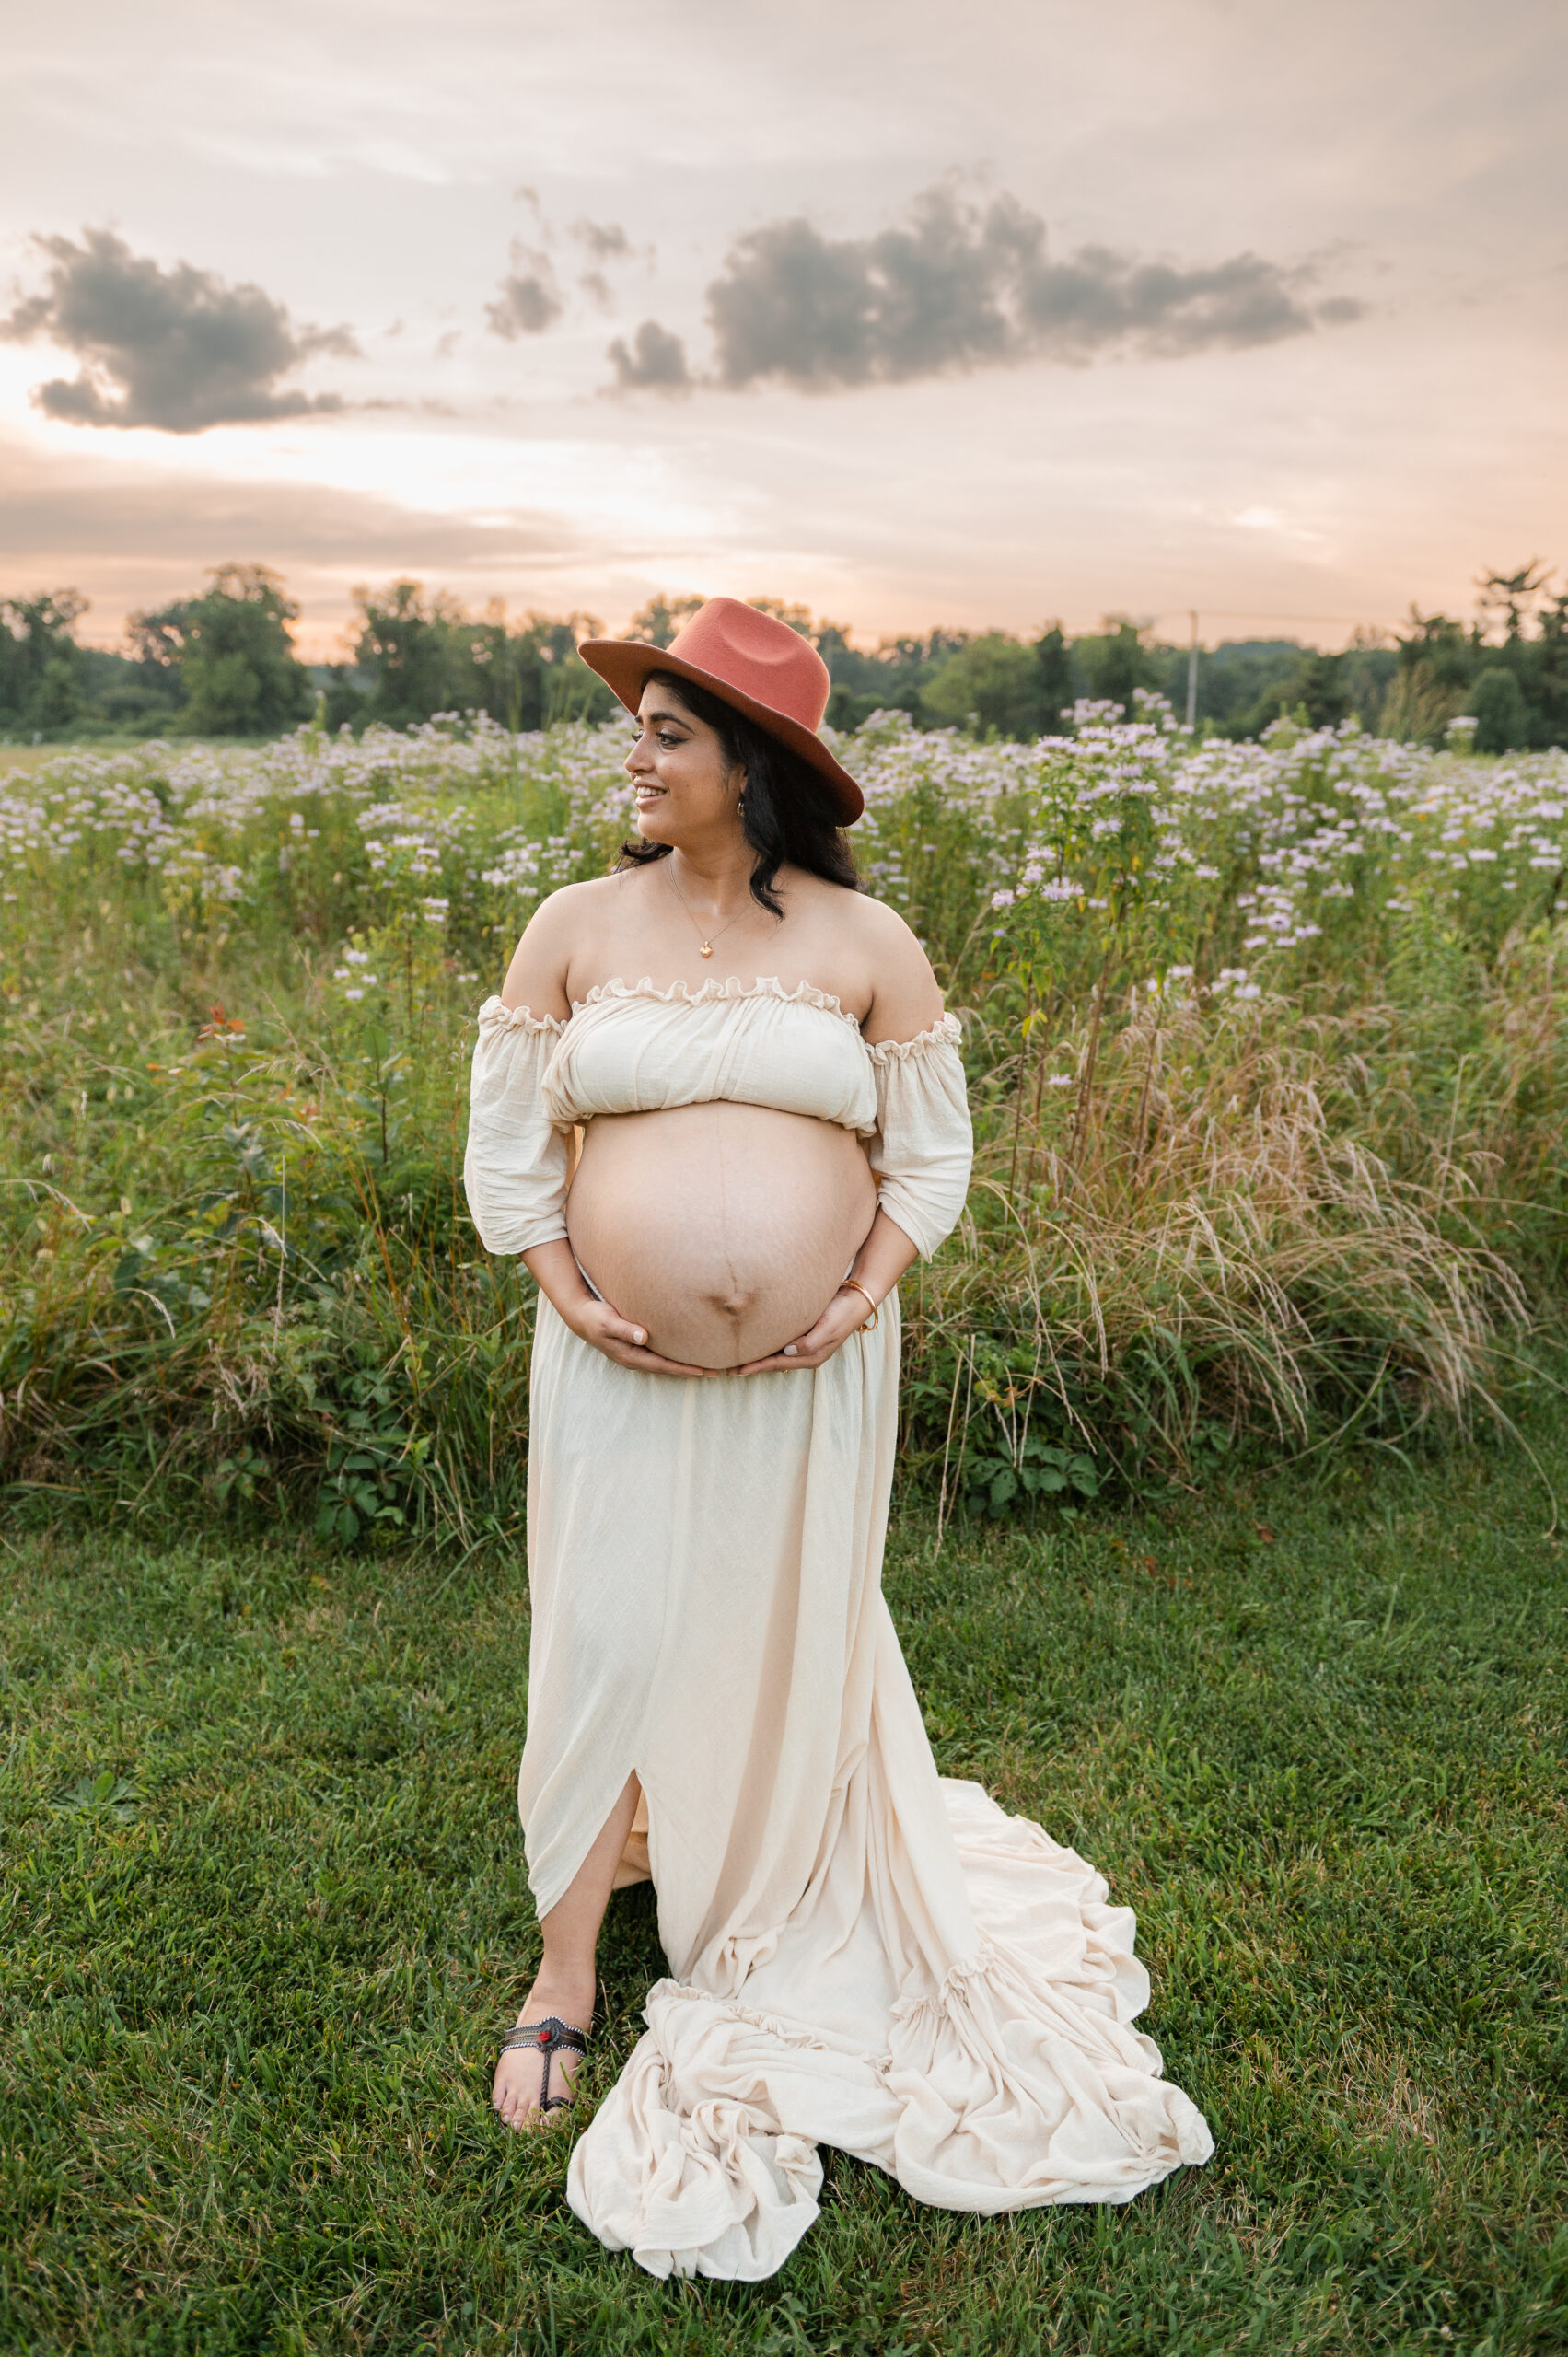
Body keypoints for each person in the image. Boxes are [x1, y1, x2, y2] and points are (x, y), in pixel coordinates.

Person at [463, 598, 1212, 2282]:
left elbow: (931, 1162)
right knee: (604, 1638)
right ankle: (567, 1972)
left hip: (814, 1381)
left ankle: (766, 1859)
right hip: (615, 1370)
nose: (633, 757)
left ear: (753, 766)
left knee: (780, 1626)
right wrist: (568, 1287)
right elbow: (510, 1146)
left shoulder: (867, 949)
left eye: (667, 733)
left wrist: (861, 1286)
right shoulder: (573, 925)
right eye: (639, 728)